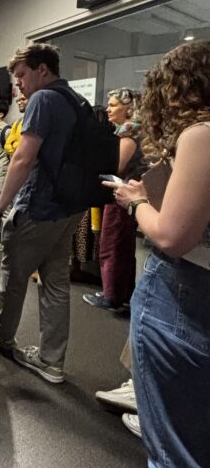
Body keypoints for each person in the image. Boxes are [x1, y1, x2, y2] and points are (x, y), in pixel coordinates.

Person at [103, 40, 210, 468]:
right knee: (199, 439)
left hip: (182, 305)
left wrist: (137, 201)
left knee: (177, 451)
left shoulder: (200, 134)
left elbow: (171, 234)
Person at [0, 43, 85, 384]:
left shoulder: (44, 99)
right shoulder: (75, 101)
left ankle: (2, 335)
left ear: (42, 70)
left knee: (14, 274)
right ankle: (51, 361)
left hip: (41, 206)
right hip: (68, 208)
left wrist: (2, 203)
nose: (18, 84)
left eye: (21, 75)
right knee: (56, 283)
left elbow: (23, 157)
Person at [83, 88, 145, 312]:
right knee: (120, 246)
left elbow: (116, 166)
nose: (108, 108)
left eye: (114, 105)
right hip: (128, 196)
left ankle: (112, 296)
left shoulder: (127, 134)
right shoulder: (133, 131)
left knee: (112, 245)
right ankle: (120, 293)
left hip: (121, 196)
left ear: (128, 108)